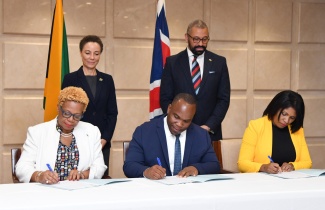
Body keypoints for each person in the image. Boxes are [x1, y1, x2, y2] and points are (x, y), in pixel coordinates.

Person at [16, 87, 107, 184]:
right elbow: (22, 168)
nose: (71, 119)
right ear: (58, 108)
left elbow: (99, 166)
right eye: (66, 113)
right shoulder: (37, 132)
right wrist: (39, 176)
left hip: (80, 192)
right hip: (47, 192)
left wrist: (82, 175)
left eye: (77, 116)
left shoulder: (92, 131)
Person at [160, 19, 230, 141]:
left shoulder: (219, 63)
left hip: (209, 134)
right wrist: (180, 123)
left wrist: (208, 126)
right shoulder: (172, 63)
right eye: (196, 39)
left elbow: (223, 99)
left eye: (204, 39)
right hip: (179, 133)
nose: (201, 44)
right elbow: (165, 98)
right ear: (187, 38)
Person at [123, 93, 220, 179]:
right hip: (155, 193)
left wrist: (196, 169)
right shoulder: (144, 131)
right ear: (169, 109)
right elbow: (130, 165)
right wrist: (147, 171)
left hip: (189, 193)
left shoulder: (201, 135)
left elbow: (214, 165)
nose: (179, 124)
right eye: (176, 117)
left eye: (186, 121)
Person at [62, 35, 118, 177]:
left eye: (96, 53)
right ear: (81, 53)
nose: (92, 57)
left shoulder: (107, 80)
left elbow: (112, 113)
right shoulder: (70, 78)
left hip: (101, 143)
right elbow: (65, 111)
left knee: (99, 180)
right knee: (75, 179)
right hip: (75, 141)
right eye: (88, 53)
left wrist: (104, 140)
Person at [237, 90, 312, 174]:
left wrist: (292, 166)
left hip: (290, 183)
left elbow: (307, 162)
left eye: (292, 117)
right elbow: (242, 163)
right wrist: (263, 167)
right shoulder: (255, 126)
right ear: (275, 107)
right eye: (284, 114)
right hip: (261, 182)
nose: (287, 120)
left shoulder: (297, 130)